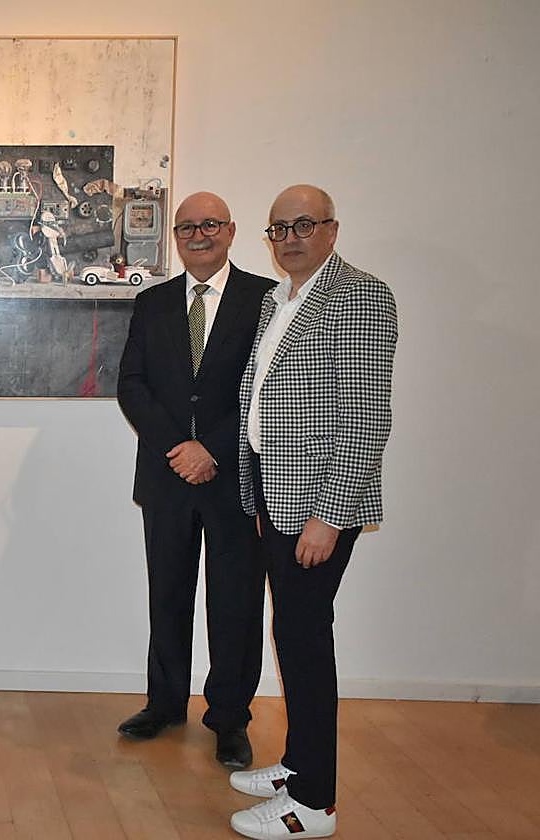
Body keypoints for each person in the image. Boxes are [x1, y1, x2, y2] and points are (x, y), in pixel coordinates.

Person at [228, 185, 397, 839]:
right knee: (291, 633)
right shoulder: (281, 300)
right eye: (279, 228)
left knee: (303, 641)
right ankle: (298, 766)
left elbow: (366, 419)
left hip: (319, 504)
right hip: (277, 494)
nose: (291, 236)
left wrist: (329, 516)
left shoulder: (359, 295)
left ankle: (315, 805)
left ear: (331, 229)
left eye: (304, 224)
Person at [116, 192, 275, 768]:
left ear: (232, 231)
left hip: (237, 477)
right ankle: (163, 705)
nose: (198, 235)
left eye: (210, 225)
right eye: (187, 227)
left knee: (235, 603)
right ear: (175, 237)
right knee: (168, 596)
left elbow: (266, 388)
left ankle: (230, 719)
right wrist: (179, 448)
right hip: (167, 476)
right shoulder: (152, 302)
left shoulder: (266, 299)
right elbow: (132, 384)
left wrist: (212, 448)